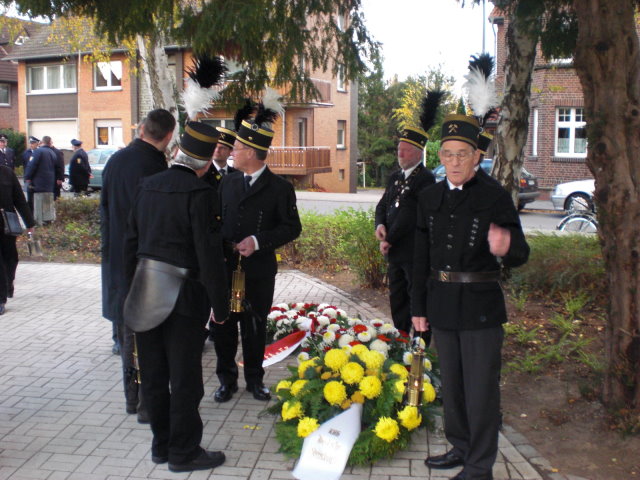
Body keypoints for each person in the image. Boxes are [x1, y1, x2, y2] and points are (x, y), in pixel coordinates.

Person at [411, 114, 530, 480]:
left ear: (477, 156)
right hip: (441, 302)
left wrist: (507, 245)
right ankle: (460, 447)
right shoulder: (428, 196)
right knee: (453, 386)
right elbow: (419, 257)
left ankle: (480, 466)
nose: (455, 162)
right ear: (440, 156)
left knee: (480, 391)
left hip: (480, 308)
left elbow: (521, 252)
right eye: (448, 154)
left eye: (463, 154)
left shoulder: (494, 196)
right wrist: (418, 308)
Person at [123, 121, 229, 472]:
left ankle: (161, 446)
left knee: (153, 375)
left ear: (180, 152)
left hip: (144, 291)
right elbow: (209, 256)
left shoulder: (147, 186)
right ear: (203, 164)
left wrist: (128, 290)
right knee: (185, 379)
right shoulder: (201, 195)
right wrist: (221, 306)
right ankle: (183, 452)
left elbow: (130, 243)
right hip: (183, 298)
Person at [211, 110, 302, 403]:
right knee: (223, 327)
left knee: (254, 326)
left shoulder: (280, 188)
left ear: (250, 152)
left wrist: (258, 241)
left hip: (258, 271)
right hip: (225, 269)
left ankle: (254, 380)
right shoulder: (228, 182)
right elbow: (217, 221)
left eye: (235, 148)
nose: (231, 154)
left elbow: (292, 227)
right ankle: (226, 381)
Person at [100, 108, 176, 421]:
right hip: (146, 262)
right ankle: (148, 404)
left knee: (127, 333)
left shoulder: (115, 161)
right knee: (146, 336)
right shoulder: (155, 166)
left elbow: (105, 211)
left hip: (117, 259)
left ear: (142, 128)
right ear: (169, 137)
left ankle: (132, 399)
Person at [374, 97, 439, 337]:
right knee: (397, 296)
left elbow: (411, 215)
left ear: (418, 152)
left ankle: (421, 342)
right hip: (394, 251)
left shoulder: (425, 179)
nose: (399, 152)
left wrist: (389, 238)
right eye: (399, 148)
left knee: (416, 297)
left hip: (413, 251)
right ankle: (401, 337)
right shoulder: (395, 177)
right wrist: (379, 224)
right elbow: (383, 205)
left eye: (405, 149)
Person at [0, 165, 35, 314]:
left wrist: (30, 223)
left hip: (7, 223)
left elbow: (19, 199)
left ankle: (8, 283)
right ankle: (1, 299)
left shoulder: (7, 173)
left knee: (11, 258)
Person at [23, 136, 57, 226]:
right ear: (50, 143)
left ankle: (38, 226)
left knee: (38, 209)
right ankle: (47, 223)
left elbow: (31, 165)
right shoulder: (52, 152)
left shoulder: (38, 152)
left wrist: (27, 177)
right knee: (47, 208)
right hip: (49, 185)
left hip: (38, 185)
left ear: (41, 142)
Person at [22, 137, 40, 213]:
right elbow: (25, 166)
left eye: (33, 143)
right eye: (30, 143)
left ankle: (38, 215)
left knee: (38, 198)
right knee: (30, 199)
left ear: (37, 143)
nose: (31, 145)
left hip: (38, 179)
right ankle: (31, 215)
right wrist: (26, 178)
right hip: (29, 179)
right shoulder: (26, 153)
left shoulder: (40, 152)